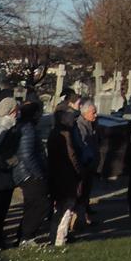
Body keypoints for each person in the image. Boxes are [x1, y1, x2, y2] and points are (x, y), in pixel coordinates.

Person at [11, 100, 48, 245]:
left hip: (25, 172)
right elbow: (27, 155)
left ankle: (23, 236)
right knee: (40, 205)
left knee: (32, 206)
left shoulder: (24, 127)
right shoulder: (28, 129)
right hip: (29, 174)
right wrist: (38, 174)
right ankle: (27, 236)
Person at [48, 102, 82, 246]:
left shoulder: (54, 132)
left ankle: (54, 235)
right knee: (67, 208)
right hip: (66, 174)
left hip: (56, 173)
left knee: (60, 207)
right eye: (70, 117)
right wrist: (78, 170)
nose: (72, 120)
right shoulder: (65, 134)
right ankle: (60, 238)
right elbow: (72, 155)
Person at [0, 97, 19, 248]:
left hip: (1, 171)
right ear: (13, 111)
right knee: (1, 207)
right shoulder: (4, 128)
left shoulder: (2, 125)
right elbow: (2, 155)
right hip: (3, 172)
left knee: (2, 206)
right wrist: (16, 162)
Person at [74, 98, 100, 226]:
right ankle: (80, 220)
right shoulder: (80, 126)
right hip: (84, 164)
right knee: (81, 193)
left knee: (86, 193)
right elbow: (83, 145)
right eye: (93, 113)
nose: (95, 115)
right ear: (85, 113)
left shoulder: (92, 124)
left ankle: (84, 217)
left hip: (90, 164)